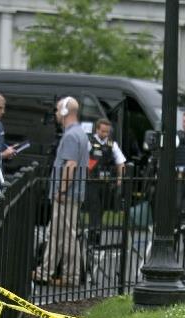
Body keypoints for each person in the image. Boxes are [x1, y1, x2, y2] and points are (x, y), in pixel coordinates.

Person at [35, 97, 89, 286]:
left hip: (67, 195)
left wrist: (62, 190)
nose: (56, 114)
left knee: (66, 236)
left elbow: (70, 165)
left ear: (65, 112)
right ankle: (45, 272)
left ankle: (71, 277)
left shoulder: (71, 136)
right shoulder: (79, 133)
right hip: (70, 194)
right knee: (58, 235)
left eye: (58, 110)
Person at [83, 117, 126, 241]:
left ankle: (95, 231)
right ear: (97, 129)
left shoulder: (112, 144)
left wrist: (120, 178)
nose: (105, 134)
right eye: (103, 131)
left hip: (106, 182)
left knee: (102, 207)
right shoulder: (89, 142)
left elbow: (121, 162)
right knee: (95, 206)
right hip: (91, 181)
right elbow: (81, 159)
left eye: (107, 132)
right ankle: (94, 232)